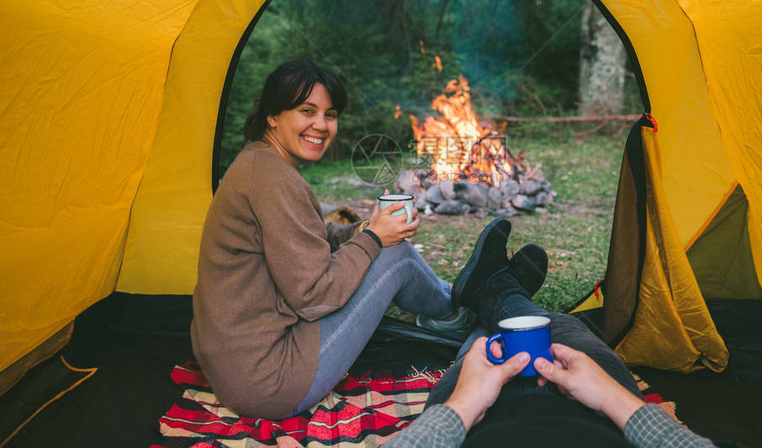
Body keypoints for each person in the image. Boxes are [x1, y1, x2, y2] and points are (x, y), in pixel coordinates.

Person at [190, 58, 474, 419]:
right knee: (395, 256)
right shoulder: (270, 179)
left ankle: (461, 296)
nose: (321, 125)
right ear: (273, 115)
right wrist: (373, 238)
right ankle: (457, 311)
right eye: (307, 111)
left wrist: (359, 231)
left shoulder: (261, 164)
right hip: (269, 379)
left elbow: (308, 236)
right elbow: (314, 296)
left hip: (240, 364)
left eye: (331, 114)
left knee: (386, 248)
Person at [385, 220, 717, 448]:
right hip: (598, 413)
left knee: (490, 346)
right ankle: (498, 295)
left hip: (474, 420)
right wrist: (612, 399)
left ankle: (495, 294)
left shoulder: (467, 407)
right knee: (559, 325)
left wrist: (462, 407)